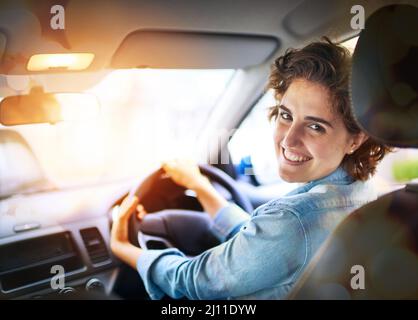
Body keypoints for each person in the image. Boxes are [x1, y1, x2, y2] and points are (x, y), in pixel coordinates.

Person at [110, 38, 392, 299]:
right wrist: (200, 187)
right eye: (286, 115)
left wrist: (124, 248)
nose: (288, 139)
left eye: (315, 126)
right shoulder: (360, 193)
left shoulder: (293, 219)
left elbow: (196, 280)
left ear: (356, 139)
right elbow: (260, 245)